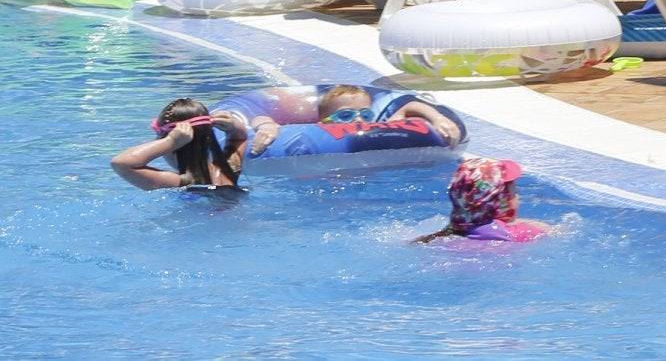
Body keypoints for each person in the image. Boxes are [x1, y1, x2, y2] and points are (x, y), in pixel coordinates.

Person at [233, 84, 465, 155]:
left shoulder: (382, 129)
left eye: (365, 114)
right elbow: (259, 115)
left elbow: (409, 106)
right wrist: (267, 125)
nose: (357, 121)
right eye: (345, 115)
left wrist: (436, 117)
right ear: (322, 120)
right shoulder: (308, 133)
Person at [111, 97, 248, 190]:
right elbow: (240, 138)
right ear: (208, 136)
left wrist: (169, 142)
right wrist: (233, 127)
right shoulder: (228, 170)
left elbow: (121, 163)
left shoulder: (177, 183)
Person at [414, 158, 548, 244]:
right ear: (501, 201)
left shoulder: (441, 236)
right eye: (514, 191)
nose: (518, 197)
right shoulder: (518, 233)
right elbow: (554, 231)